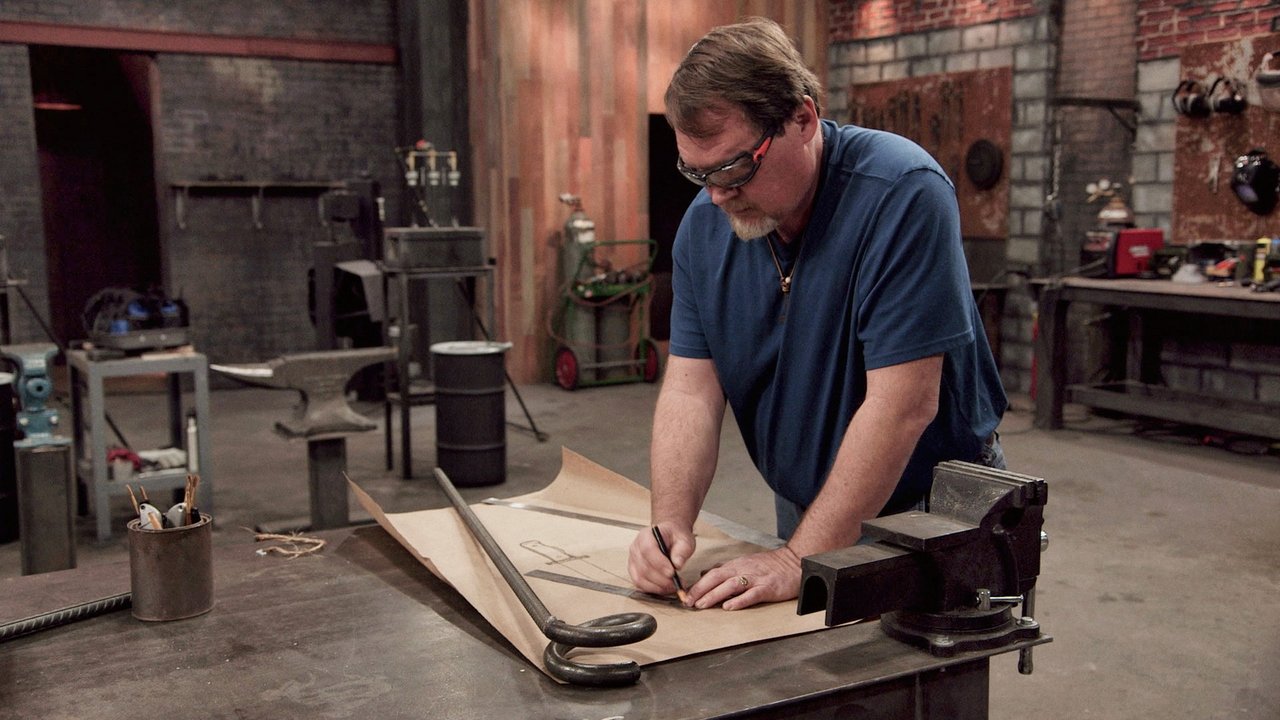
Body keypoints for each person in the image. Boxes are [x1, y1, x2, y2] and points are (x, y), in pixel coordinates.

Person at [627, 18, 1008, 611]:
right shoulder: (705, 229)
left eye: (734, 168)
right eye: (697, 173)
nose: (717, 195)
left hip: (929, 510)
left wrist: (795, 560)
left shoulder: (901, 192)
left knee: (909, 668)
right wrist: (668, 522)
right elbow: (691, 390)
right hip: (816, 504)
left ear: (802, 120)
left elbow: (903, 406)